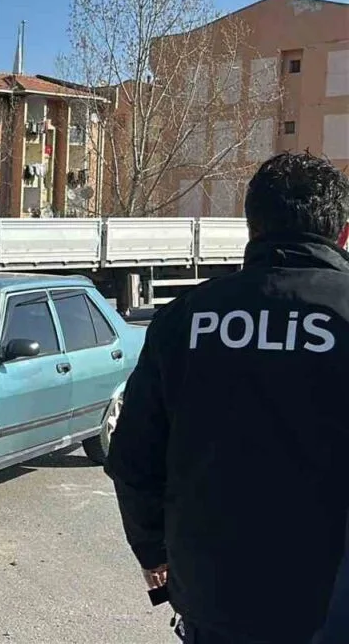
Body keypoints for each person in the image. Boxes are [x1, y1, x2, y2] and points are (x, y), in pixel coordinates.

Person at [105, 151, 349, 644]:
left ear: (251, 228)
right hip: (332, 606)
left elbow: (133, 458)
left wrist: (154, 551)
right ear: (342, 233)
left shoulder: (184, 318)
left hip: (215, 599)